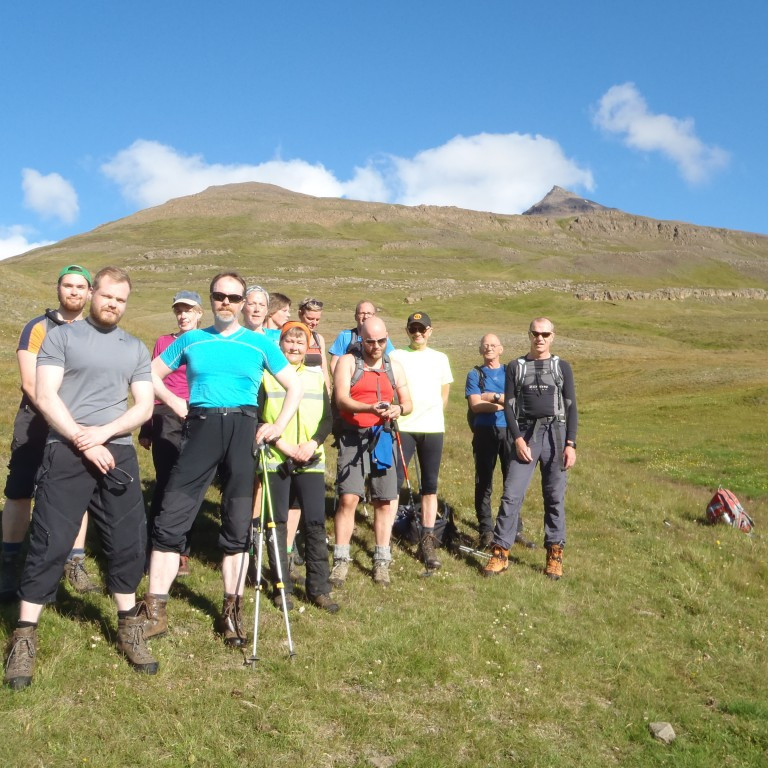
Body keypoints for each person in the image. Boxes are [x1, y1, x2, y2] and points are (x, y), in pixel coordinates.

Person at [4, 266, 158, 689]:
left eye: (121, 299)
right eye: (108, 296)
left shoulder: (135, 347)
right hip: (65, 449)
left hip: (118, 453)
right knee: (50, 539)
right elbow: (45, 393)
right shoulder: (61, 337)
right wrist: (80, 438)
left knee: (128, 542)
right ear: (93, 294)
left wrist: (105, 434)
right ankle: (24, 637)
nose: (114, 304)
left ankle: (129, 626)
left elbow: (143, 406)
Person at [143, 272, 302, 649]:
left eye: (234, 297)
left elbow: (293, 384)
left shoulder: (259, 343)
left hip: (244, 429)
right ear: (211, 300)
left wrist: (277, 425)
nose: (226, 302)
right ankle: (154, 611)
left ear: (244, 301)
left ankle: (231, 613)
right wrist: (174, 401)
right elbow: (150, 373)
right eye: (220, 296)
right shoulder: (192, 339)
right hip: (199, 427)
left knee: (236, 525)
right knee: (171, 517)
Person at [1, 264, 98, 603]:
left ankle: (75, 562)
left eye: (80, 286)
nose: (73, 291)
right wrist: (60, 418)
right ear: (58, 289)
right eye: (68, 285)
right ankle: (10, 559)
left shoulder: (95, 331)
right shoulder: (37, 327)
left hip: (78, 423)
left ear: (89, 293)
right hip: (36, 420)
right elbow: (30, 383)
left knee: (76, 492)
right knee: (19, 490)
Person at [483, 318, 577, 580]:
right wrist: (517, 439)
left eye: (545, 334)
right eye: (535, 333)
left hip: (556, 436)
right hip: (526, 436)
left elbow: (572, 408)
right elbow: (510, 407)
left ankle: (555, 554)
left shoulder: (562, 367)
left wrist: (571, 444)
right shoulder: (516, 366)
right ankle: (500, 552)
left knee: (554, 496)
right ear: (529, 335)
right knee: (511, 495)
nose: (540, 338)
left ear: (552, 336)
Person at [259, 321, 338, 612]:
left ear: (308, 348)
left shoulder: (317, 378)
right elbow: (258, 417)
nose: (294, 348)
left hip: (311, 460)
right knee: (277, 524)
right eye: (289, 343)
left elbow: (328, 420)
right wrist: (284, 445)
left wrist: (313, 444)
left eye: (299, 343)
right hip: (276, 458)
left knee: (315, 523)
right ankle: (282, 588)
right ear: (280, 346)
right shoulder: (266, 377)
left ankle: (319, 588)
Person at [332, 316, 412, 587]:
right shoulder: (347, 362)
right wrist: (368, 409)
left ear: (387, 337)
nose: (376, 346)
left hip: (383, 438)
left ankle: (381, 561)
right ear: (360, 339)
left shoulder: (394, 366)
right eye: (370, 341)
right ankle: (341, 561)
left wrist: (398, 409)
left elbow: (408, 401)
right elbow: (340, 399)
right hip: (353, 437)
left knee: (384, 500)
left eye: (381, 340)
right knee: (348, 499)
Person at [138, 290, 203, 577]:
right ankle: (155, 547)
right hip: (166, 414)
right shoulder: (165, 342)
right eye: (178, 310)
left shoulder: (208, 341)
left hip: (200, 415)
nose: (183, 315)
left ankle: (182, 550)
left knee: (190, 484)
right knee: (166, 483)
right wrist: (147, 426)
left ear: (199, 313)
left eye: (188, 310)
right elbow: (150, 383)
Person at [390, 311, 453, 571]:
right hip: (403, 426)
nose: (417, 333)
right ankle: (386, 535)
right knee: (393, 484)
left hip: (432, 428)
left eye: (422, 329)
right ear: (407, 331)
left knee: (429, 485)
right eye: (413, 329)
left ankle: (427, 538)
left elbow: (444, 395)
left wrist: (432, 416)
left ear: (430, 330)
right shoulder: (395, 356)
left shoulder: (441, 358)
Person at [465, 334, 536, 550]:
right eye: (485, 345)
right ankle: (486, 530)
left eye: (493, 345)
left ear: (501, 349)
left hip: (510, 432)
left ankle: (514, 529)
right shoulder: (474, 374)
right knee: (484, 482)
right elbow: (475, 406)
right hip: (484, 431)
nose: (489, 348)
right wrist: (503, 402)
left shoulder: (510, 372)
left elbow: (518, 400)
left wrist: (490, 397)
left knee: (512, 482)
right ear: (480, 350)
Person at [328, 300, 394, 374]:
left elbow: (392, 360)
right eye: (362, 313)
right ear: (356, 316)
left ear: (374, 316)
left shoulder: (382, 338)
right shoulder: (344, 336)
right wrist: (340, 382)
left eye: (369, 313)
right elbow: (334, 364)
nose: (365, 316)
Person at [297, 297, 331, 391]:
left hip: (316, 389)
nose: (314, 323)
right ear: (300, 314)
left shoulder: (319, 339)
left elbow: (323, 368)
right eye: (310, 318)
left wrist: (327, 389)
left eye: (317, 319)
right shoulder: (290, 338)